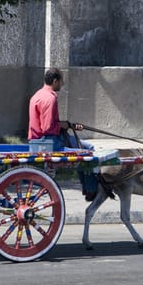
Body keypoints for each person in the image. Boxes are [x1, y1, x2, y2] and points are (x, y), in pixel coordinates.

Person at [28, 68, 97, 200]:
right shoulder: (50, 99)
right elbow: (47, 127)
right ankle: (91, 190)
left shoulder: (37, 95)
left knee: (83, 147)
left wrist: (66, 124)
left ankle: (89, 188)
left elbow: (47, 123)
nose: (63, 84)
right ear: (55, 81)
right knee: (88, 150)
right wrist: (63, 125)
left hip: (37, 140)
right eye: (61, 81)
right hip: (49, 142)